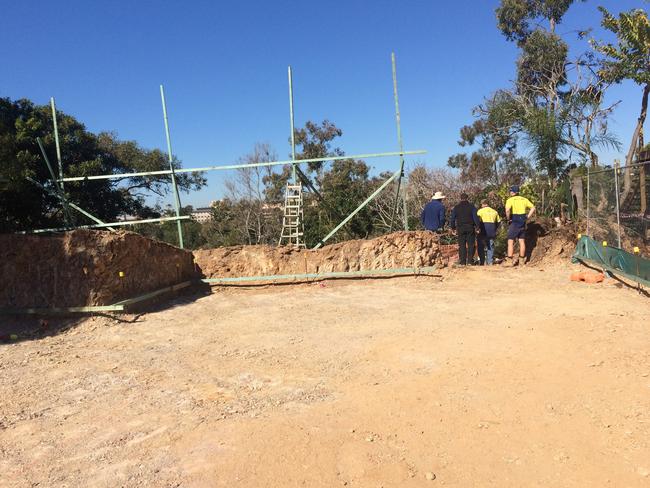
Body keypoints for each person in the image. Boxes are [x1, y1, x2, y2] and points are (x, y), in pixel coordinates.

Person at [504, 185, 535, 266]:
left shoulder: (510, 200)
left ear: (513, 192)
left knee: (510, 241)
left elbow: (507, 210)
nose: (510, 192)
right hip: (522, 220)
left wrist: (508, 218)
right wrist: (528, 216)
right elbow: (533, 208)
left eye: (511, 191)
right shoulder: (524, 199)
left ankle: (509, 261)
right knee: (521, 241)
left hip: (514, 220)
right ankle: (521, 260)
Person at [450, 193, 480, 266]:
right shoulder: (472, 207)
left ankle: (462, 262)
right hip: (470, 227)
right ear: (467, 198)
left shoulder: (456, 207)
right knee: (471, 245)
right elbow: (475, 218)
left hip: (460, 228)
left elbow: (452, 219)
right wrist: (477, 227)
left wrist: (453, 228)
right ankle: (470, 261)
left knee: (462, 245)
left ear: (460, 198)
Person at [476, 199, 501, 265]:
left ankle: (482, 261)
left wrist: (477, 229)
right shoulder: (495, 212)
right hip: (491, 231)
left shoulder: (480, 211)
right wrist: (495, 229)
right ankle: (490, 262)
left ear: (483, 204)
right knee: (490, 246)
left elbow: (477, 221)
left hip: (482, 231)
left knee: (480, 246)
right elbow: (498, 222)